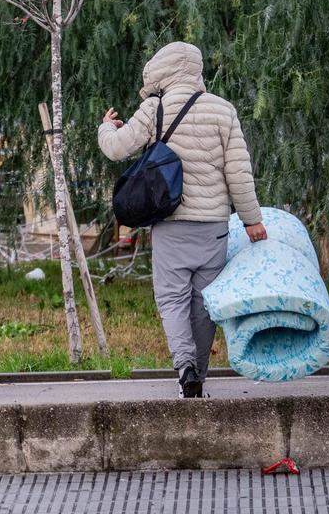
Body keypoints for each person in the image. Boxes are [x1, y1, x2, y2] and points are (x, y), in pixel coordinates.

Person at [97, 41, 268, 398]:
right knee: (204, 304)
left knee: (172, 299)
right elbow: (238, 171)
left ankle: (185, 367)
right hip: (214, 226)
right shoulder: (224, 111)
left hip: (171, 223)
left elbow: (116, 149)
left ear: (161, 69)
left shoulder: (153, 109)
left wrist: (106, 128)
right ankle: (199, 376)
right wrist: (251, 220)